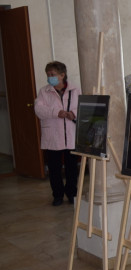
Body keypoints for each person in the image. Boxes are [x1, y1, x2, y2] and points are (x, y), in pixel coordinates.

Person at [34, 61, 81, 206]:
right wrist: (56, 112)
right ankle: (58, 195)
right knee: (54, 168)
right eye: (48, 75)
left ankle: (72, 193)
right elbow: (39, 110)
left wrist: (73, 114)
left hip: (70, 134)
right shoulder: (44, 91)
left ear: (62, 75)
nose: (50, 77)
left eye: (52, 74)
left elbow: (82, 107)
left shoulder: (75, 89)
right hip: (53, 135)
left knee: (72, 168)